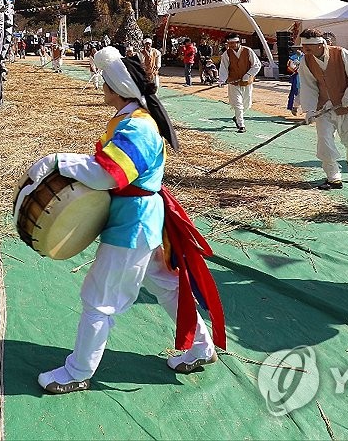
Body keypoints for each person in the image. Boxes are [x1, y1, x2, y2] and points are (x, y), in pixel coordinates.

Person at [30, 48, 226, 394]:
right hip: (140, 220)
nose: (100, 87)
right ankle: (201, 346)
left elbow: (110, 174)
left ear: (116, 87)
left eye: (103, 82)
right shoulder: (131, 119)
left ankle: (77, 371)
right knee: (166, 286)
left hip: (132, 225)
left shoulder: (137, 127)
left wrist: (58, 161)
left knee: (99, 299)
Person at [297, 30, 348, 189]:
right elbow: (308, 85)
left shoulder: (341, 53)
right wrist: (309, 110)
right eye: (304, 47)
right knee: (325, 142)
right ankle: (333, 177)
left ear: (321, 44)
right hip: (324, 108)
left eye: (309, 47)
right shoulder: (306, 61)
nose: (305, 51)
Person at [217, 36, 260, 133]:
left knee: (247, 104)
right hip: (234, 83)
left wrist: (248, 74)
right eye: (229, 43)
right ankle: (241, 124)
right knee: (238, 104)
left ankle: (237, 117)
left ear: (238, 42)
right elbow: (223, 67)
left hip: (247, 82)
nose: (231, 45)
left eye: (233, 43)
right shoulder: (226, 54)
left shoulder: (248, 51)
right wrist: (221, 80)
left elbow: (257, 65)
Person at [286, 46, 303, 116]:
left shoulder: (307, 57)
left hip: (308, 78)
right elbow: (290, 67)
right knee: (298, 93)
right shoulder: (292, 58)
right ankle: (295, 107)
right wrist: (296, 69)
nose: (298, 50)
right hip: (298, 78)